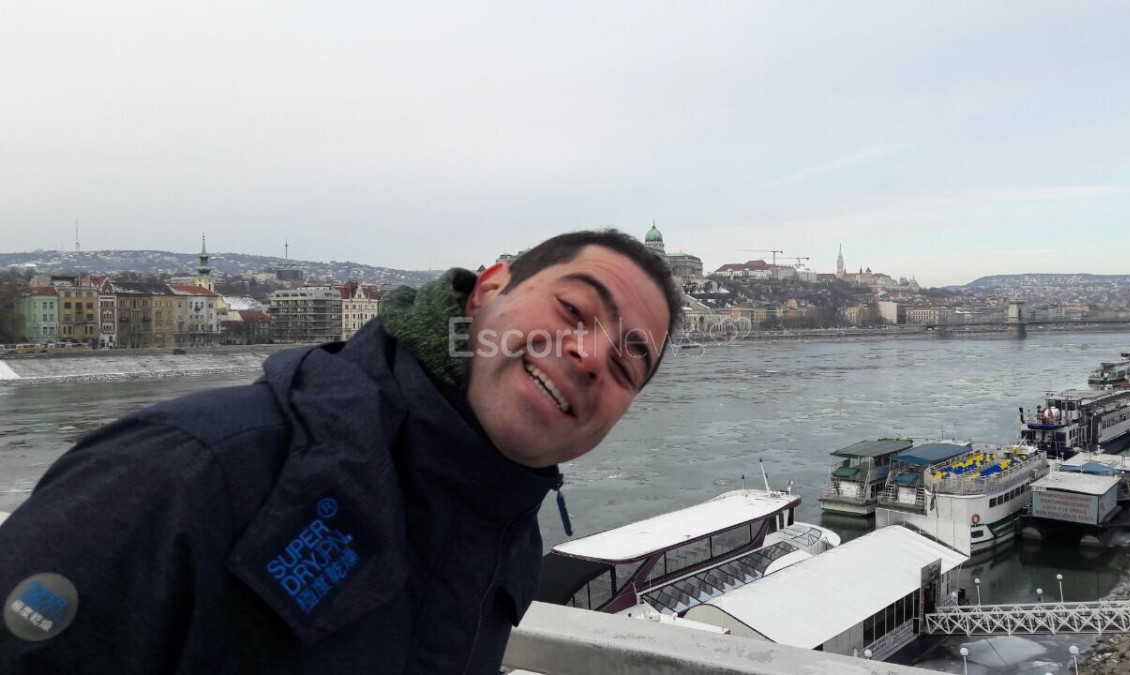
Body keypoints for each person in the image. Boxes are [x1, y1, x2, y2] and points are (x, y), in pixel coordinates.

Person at [0, 229, 681, 673]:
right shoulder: (190, 469)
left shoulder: (507, 535)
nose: (591, 356)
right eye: (573, 310)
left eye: (628, 363)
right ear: (487, 290)